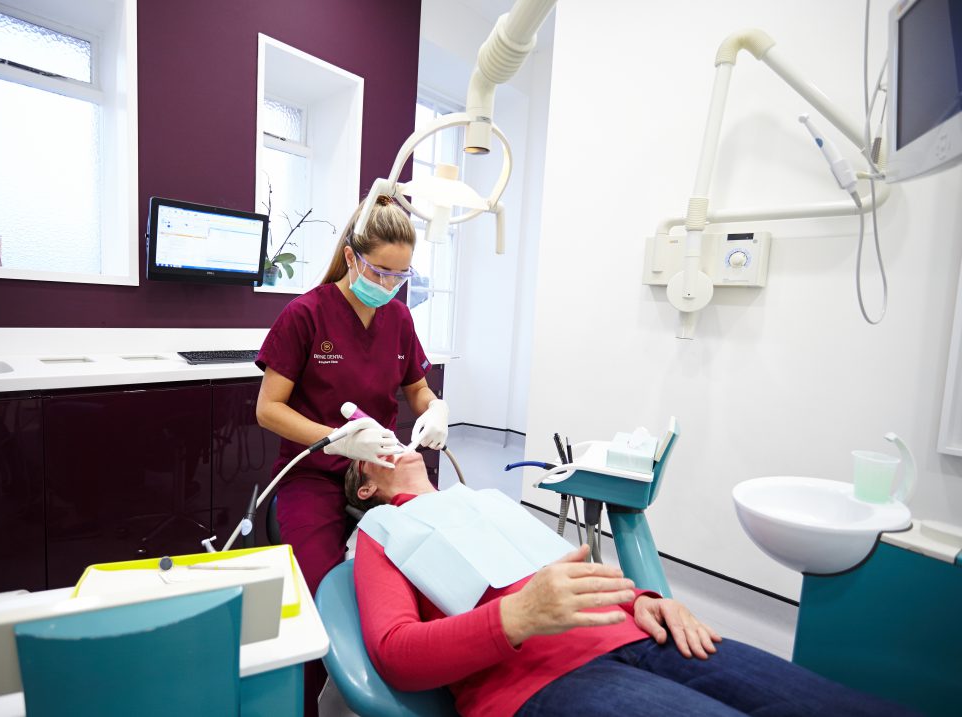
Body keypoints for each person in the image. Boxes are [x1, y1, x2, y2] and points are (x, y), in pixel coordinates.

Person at [347, 452, 918, 717]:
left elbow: (573, 569)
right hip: (538, 682)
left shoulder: (485, 502)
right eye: (371, 453)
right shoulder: (382, 532)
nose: (391, 442)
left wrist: (648, 599)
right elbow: (396, 654)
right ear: (365, 488)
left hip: (640, 634)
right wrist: (515, 617)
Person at [255, 195, 449, 715]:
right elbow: (268, 409)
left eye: (400, 276)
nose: (388, 286)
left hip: (382, 472)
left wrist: (435, 409)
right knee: (326, 602)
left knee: (427, 583)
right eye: (380, 271)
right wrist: (334, 438)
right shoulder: (305, 316)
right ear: (351, 257)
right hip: (313, 476)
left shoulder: (399, 319)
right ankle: (307, 705)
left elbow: (418, 392)